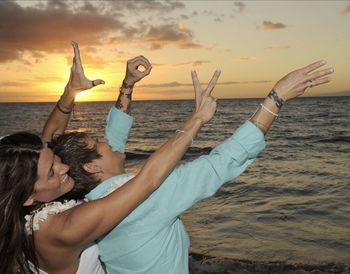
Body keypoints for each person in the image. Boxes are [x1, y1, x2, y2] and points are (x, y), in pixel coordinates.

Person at [48, 45, 334, 273]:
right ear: (91, 166)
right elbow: (222, 161)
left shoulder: (90, 206)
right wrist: (276, 98)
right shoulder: (146, 200)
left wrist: (128, 84)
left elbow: (116, 139)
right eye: (99, 142)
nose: (108, 140)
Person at [0, 42, 219, 274]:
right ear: (28, 196)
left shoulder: (33, 194)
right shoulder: (61, 230)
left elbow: (51, 135)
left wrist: (73, 91)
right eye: (52, 172)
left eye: (54, 159)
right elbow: (147, 182)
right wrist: (196, 120)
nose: (63, 167)